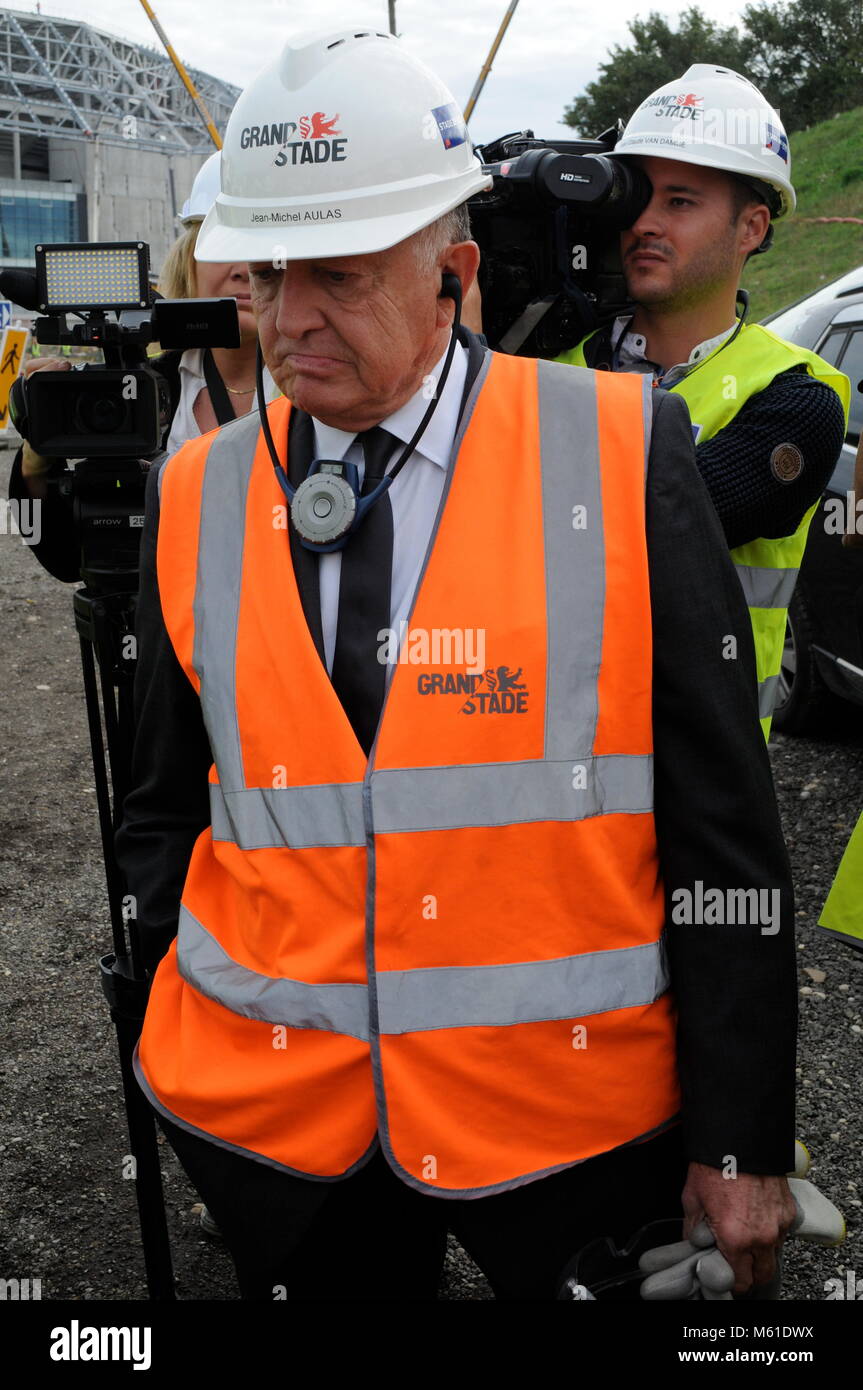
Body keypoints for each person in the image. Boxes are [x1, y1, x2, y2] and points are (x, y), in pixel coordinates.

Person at [114, 28, 798, 1302]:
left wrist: (738, 1139)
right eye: (267, 277)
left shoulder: (614, 447)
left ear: (452, 269)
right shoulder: (198, 489)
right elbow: (167, 800)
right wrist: (182, 1014)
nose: (289, 321)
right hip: (286, 1143)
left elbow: (722, 823)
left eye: (339, 273)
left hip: (571, 1133)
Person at [556, 65, 850, 739]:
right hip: (550, 767)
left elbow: (649, 527)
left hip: (699, 781)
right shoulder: (552, 364)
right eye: (638, 200)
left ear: (750, 228)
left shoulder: (794, 398)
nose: (644, 225)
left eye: (680, 202)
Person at [7, 150, 278, 583]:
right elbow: (63, 562)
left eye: (262, 247)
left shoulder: (326, 391)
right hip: (161, 640)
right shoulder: (141, 388)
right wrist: (35, 465)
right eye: (222, 242)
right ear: (190, 258)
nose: (244, 269)